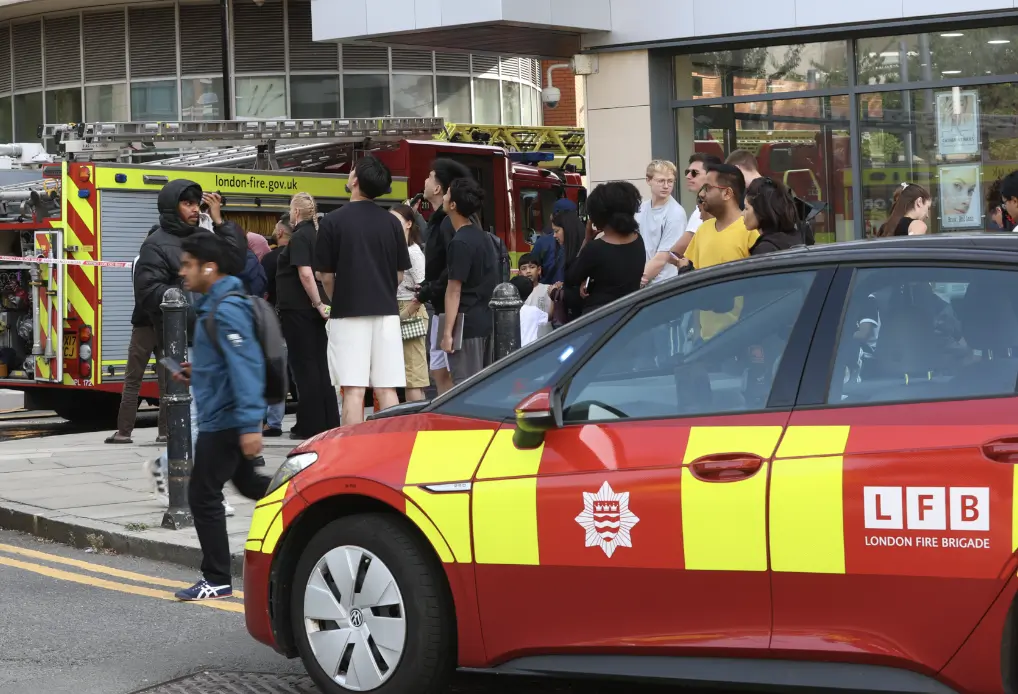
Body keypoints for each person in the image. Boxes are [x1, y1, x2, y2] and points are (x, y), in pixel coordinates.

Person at [172, 232, 272, 602]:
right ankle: (308, 497)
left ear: (208, 267)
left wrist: (250, 426)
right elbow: (227, 365)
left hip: (227, 419)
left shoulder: (226, 308)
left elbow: (247, 367)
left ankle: (216, 577)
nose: (183, 272)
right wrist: (197, 372)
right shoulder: (215, 305)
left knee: (202, 494)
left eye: (188, 264)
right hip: (225, 415)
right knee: (250, 485)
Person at [316, 156, 411, 426]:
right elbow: (399, 274)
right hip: (387, 312)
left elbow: (325, 275)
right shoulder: (392, 223)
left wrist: (340, 298)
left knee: (354, 390)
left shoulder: (332, 221)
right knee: (387, 388)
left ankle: (352, 454)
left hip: (348, 312)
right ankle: (395, 448)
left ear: (355, 181)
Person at [277, 192, 339, 439]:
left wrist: (317, 303)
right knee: (320, 366)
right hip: (312, 311)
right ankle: (326, 420)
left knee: (304, 368)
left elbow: (304, 273)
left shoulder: (300, 236)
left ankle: (309, 424)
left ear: (296, 212)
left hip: (299, 311)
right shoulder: (316, 235)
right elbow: (319, 273)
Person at [681, 164, 760, 340]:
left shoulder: (750, 231)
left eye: (707, 188)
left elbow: (758, 292)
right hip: (705, 341)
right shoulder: (703, 229)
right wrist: (695, 331)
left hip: (740, 340)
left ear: (727, 193)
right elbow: (696, 283)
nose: (701, 194)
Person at [106, 228, 168, 445]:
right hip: (165, 326)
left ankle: (124, 432)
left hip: (142, 325)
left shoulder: (139, 260)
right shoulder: (171, 260)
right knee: (166, 382)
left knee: (133, 380)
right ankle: (165, 433)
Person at [417, 158, 472, 396]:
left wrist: (431, 288)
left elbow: (453, 266)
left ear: (439, 188)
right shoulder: (438, 219)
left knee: (446, 369)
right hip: (441, 306)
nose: (425, 182)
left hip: (450, 309)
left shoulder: (447, 221)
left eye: (429, 177)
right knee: (439, 368)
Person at [440, 177, 500, 385]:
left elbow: (454, 290)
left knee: (465, 386)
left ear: (454, 204)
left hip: (466, 327)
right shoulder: (484, 237)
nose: (444, 197)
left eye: (447, 194)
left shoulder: (459, 242)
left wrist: (447, 333)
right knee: (484, 386)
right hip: (486, 320)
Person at [560, 181, 646, 316]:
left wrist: (587, 240)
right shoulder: (638, 240)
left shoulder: (595, 248)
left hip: (601, 317)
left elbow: (571, 277)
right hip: (631, 311)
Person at [392, 204, 429, 402]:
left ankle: (416, 425)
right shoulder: (397, 249)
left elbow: (423, 287)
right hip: (399, 309)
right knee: (408, 373)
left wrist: (406, 312)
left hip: (410, 310)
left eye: (396, 220)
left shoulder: (413, 252)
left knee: (413, 375)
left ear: (408, 223)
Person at [261, 215, 291, 437]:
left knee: (274, 373)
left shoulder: (270, 259)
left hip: (275, 321)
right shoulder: (306, 253)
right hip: (301, 320)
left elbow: (263, 288)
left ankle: (272, 422)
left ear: (281, 233)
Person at [637, 160, 686, 288]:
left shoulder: (676, 213)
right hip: (644, 281)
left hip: (664, 286)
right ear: (648, 180)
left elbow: (663, 258)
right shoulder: (642, 208)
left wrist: (639, 282)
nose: (666, 186)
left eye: (670, 181)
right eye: (661, 181)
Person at [669, 153, 722, 259]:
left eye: (694, 173)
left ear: (710, 175)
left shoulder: (704, 210)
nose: (688, 176)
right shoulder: (700, 209)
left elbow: (676, 252)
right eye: (687, 172)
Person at [744, 177, 804, 255]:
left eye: (746, 208)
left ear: (761, 210)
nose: (742, 214)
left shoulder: (765, 250)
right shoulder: (794, 237)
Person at [531, 198, 577, 285]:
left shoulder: (543, 242)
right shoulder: (584, 242)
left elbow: (531, 266)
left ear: (552, 216)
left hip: (548, 293)